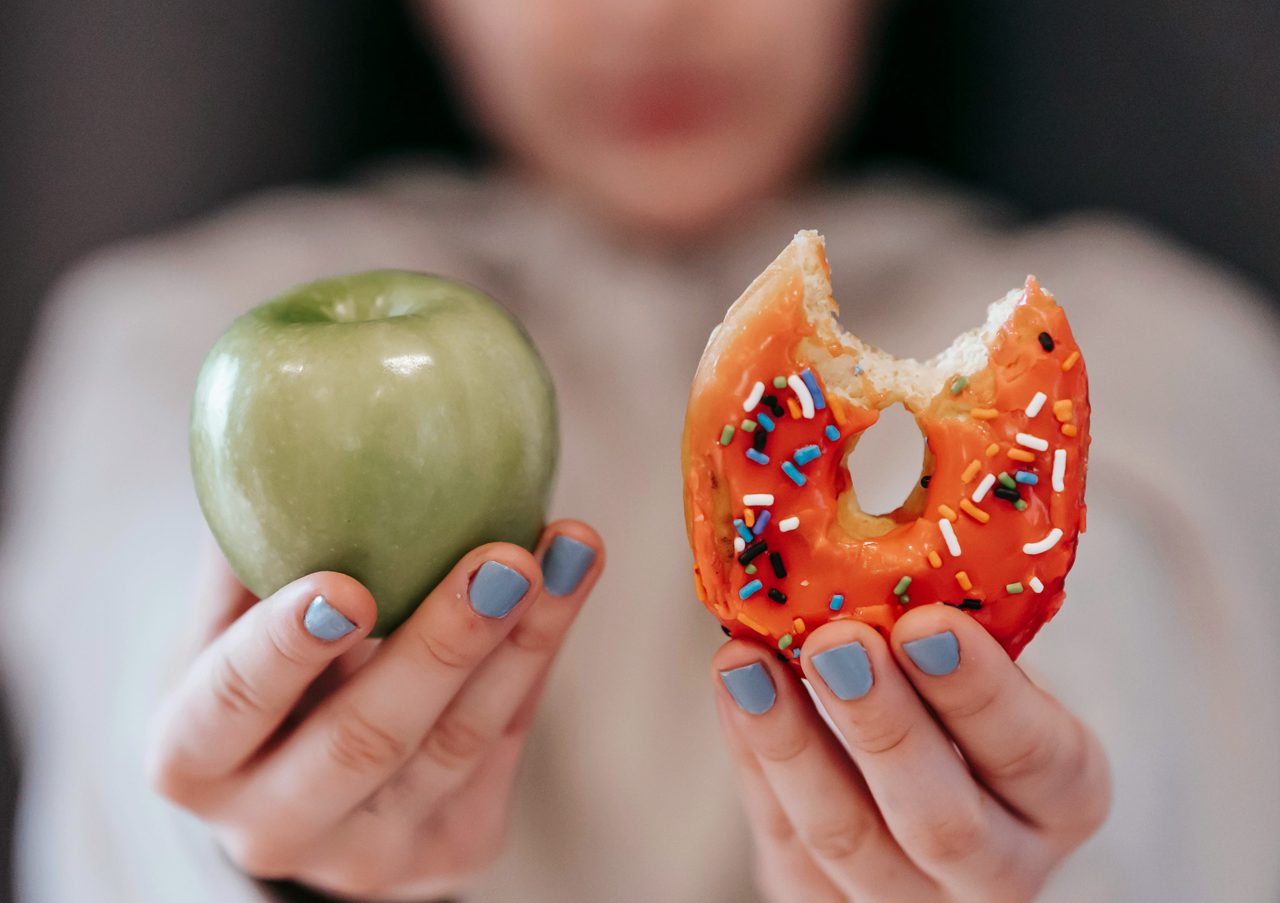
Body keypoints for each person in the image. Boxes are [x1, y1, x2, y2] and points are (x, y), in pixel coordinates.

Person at [2, 1, 1278, 901]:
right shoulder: (156, 335)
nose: (649, 15)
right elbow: (130, 625)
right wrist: (250, 840)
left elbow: (1147, 662)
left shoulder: (1169, 346)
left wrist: (1045, 859)